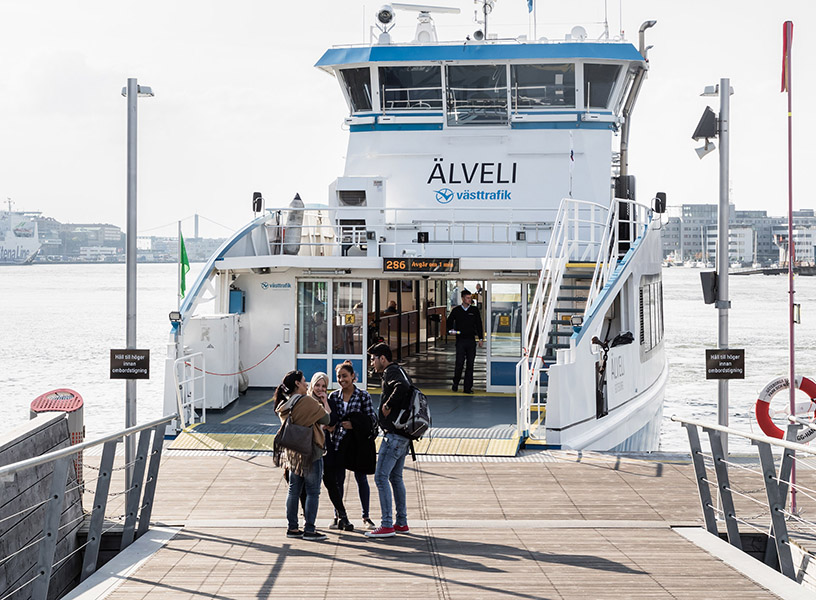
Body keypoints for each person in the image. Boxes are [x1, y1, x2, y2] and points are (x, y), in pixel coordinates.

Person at [274, 370, 330, 541]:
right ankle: (310, 530)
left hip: (293, 454)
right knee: (313, 492)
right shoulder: (306, 401)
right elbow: (326, 420)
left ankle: (292, 528)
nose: (306, 384)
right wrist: (322, 403)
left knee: (293, 490)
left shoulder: (285, 405)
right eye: (304, 381)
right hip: (311, 451)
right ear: (297, 383)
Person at [365, 343, 412, 538]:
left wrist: (387, 405)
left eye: (373, 359)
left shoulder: (391, 371)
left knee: (380, 477)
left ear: (382, 358)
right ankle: (401, 522)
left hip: (393, 437)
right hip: (403, 436)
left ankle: (386, 524)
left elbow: (402, 387)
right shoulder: (399, 370)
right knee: (395, 477)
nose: (372, 363)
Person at [327, 361, 378, 530]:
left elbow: (372, 419)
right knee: (338, 480)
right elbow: (329, 417)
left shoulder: (363, 396)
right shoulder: (333, 396)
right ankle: (338, 515)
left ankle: (366, 516)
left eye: (345, 376)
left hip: (357, 443)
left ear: (353, 376)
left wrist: (354, 424)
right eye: (339, 377)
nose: (342, 380)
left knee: (361, 479)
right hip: (338, 442)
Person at [447, 288, 484, 394]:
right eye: (467, 298)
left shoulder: (474, 310)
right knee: (459, 363)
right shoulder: (456, 310)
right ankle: (455, 382)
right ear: (462, 299)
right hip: (460, 340)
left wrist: (480, 338)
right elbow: (449, 322)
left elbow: (479, 324)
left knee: (470, 364)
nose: (469, 300)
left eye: (470, 298)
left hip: (471, 340)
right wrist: (450, 330)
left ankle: (467, 388)